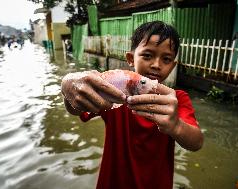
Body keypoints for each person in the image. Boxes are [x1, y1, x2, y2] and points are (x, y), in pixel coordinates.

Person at [61, 21, 204, 189]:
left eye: (166, 59)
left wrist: (176, 126)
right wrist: (68, 89)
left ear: (172, 66)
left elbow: (196, 142)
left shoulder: (176, 100)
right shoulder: (115, 89)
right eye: (147, 55)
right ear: (130, 58)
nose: (156, 65)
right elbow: (77, 109)